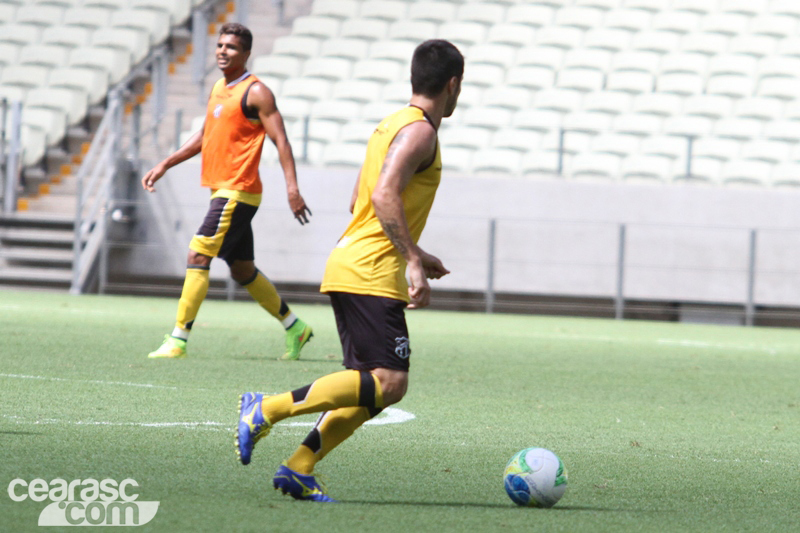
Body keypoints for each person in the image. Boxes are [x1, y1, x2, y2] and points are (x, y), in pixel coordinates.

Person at [235, 39, 464, 502]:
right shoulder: (421, 132)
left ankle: (299, 467)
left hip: (357, 261)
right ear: (454, 85)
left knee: (374, 387)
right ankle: (267, 408)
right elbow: (381, 198)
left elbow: (359, 202)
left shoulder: (391, 125)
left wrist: (414, 249)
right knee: (389, 382)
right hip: (369, 270)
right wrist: (412, 260)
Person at [141, 23, 313, 361]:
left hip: (238, 191)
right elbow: (206, 136)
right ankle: (295, 327)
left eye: (231, 47)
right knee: (241, 268)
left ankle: (178, 340)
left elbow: (281, 141)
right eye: (220, 45)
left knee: (197, 255)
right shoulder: (220, 87)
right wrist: (166, 163)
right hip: (221, 190)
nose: (222, 51)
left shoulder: (257, 92)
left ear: (246, 54)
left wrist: (292, 188)